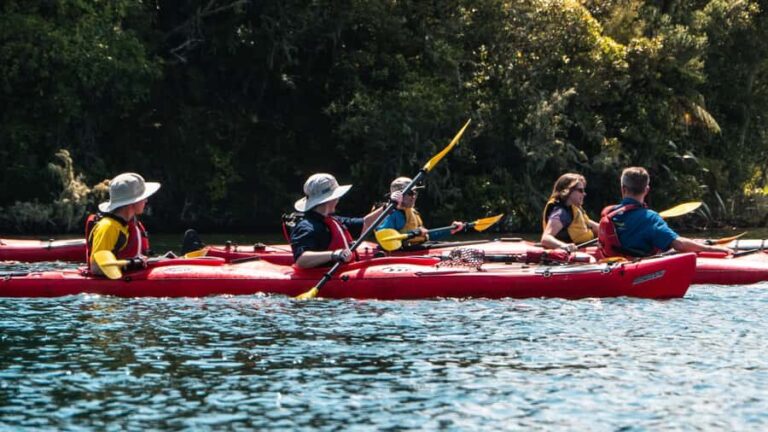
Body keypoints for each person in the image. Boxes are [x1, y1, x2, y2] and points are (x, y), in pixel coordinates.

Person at [598, 166, 732, 258]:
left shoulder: (609, 213)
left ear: (623, 189)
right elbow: (678, 244)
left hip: (609, 265)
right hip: (638, 268)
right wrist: (713, 249)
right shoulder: (650, 218)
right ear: (646, 190)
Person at [290, 173, 392, 269]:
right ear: (330, 199)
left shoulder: (333, 220)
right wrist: (335, 254)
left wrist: (387, 207)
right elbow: (301, 260)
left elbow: (365, 223)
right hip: (324, 276)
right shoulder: (307, 226)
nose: (338, 199)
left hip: (343, 272)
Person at [85, 173, 161, 275]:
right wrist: (131, 263)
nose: (146, 200)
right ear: (132, 202)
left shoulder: (126, 224)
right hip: (109, 285)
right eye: (143, 197)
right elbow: (97, 267)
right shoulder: (108, 227)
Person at [375, 176, 465, 249]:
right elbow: (383, 237)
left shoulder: (413, 212)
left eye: (415, 193)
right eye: (410, 193)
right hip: (405, 252)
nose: (414, 196)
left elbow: (426, 235)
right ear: (399, 195)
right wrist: (413, 233)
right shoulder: (391, 213)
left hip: (420, 247)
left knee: (458, 246)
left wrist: (450, 230)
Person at [540, 173, 599, 252]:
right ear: (567, 190)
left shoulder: (574, 210)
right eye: (580, 190)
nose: (584, 194)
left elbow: (595, 226)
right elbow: (545, 238)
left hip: (584, 248)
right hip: (570, 254)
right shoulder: (560, 213)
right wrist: (563, 246)